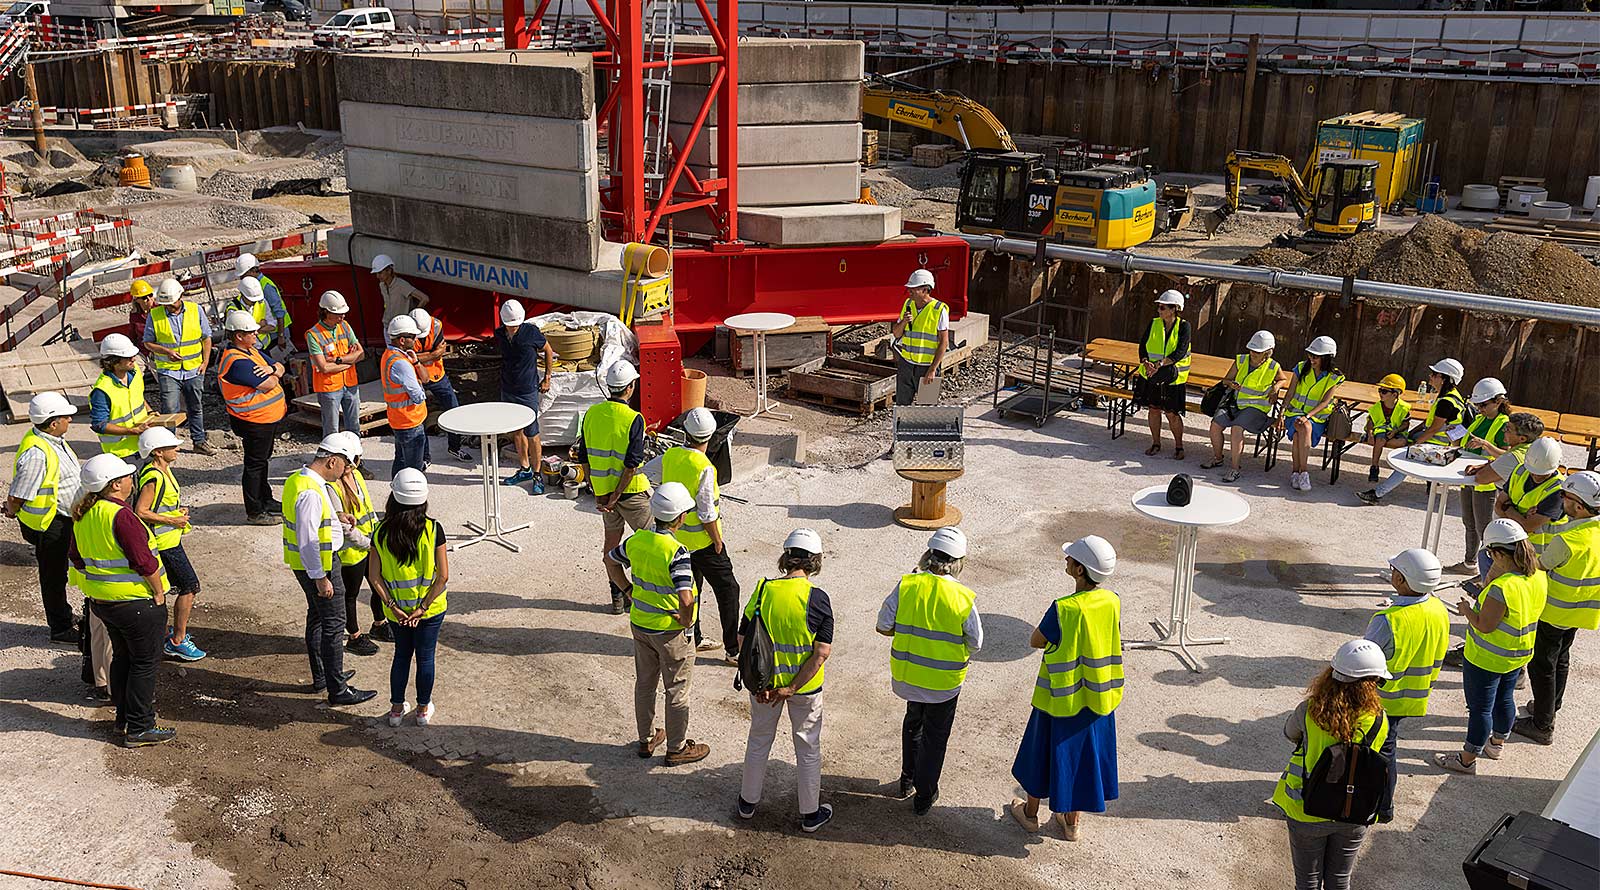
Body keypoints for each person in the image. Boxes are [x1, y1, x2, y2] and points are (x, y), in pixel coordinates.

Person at [1009, 535, 1122, 842]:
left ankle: (1030, 815)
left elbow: (1036, 640)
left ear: (1081, 571)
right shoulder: (1111, 602)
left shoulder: (1064, 609)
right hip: (1098, 697)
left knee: (1041, 754)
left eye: (1071, 559)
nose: (1066, 560)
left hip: (1059, 699)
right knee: (1082, 759)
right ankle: (1070, 823)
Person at [69, 453, 174, 746]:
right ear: (115, 485)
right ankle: (140, 727)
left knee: (124, 658)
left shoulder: (84, 513)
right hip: (136, 602)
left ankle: (124, 720)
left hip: (104, 603)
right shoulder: (121, 515)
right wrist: (158, 591)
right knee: (144, 662)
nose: (132, 480)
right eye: (128, 477)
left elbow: (77, 558)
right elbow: (144, 562)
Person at [876, 527, 982, 816]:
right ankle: (924, 796)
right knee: (935, 737)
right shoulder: (962, 597)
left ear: (928, 555)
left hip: (909, 677)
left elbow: (883, 625)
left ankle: (906, 780)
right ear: (959, 563)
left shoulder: (907, 585)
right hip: (943, 684)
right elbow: (975, 643)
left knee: (913, 724)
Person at [736, 528, 835, 832]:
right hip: (804, 688)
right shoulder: (817, 599)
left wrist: (761, 684)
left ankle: (747, 803)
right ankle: (809, 814)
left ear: (785, 558)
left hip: (764, 687)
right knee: (807, 747)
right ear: (815, 561)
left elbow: (743, 638)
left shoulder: (764, 590)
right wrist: (791, 687)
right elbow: (820, 653)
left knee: (758, 740)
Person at [605, 482, 710, 766]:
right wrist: (687, 621)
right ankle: (676, 748)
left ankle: (646, 738)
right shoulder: (677, 552)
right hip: (670, 632)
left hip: (640, 624)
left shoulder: (637, 540)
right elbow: (686, 598)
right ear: (679, 518)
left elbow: (610, 560)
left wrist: (627, 591)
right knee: (676, 689)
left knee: (645, 684)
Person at [1273, 640, 1391, 890]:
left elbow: (1289, 733)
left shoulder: (1309, 710)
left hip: (1305, 807)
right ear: (1374, 682)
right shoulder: (1380, 719)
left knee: (1308, 881)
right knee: (1339, 880)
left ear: (1332, 674)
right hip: (1355, 810)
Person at [1436, 518, 1547, 774]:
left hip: (1486, 658)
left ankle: (1466, 760)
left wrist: (1465, 610)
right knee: (1505, 699)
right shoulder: (1537, 576)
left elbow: (1485, 625)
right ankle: (1496, 744)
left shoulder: (1501, 589)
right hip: (1517, 654)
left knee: (1480, 709)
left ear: (1497, 552)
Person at [283, 435, 378, 707]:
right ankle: (338, 689)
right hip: (320, 564)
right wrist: (321, 577)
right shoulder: (312, 492)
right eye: (346, 463)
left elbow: (311, 523)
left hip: (309, 565)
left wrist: (337, 518)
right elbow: (309, 539)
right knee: (334, 624)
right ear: (332, 460)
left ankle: (324, 675)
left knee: (317, 617)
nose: (346, 470)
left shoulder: (299, 480)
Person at [1511, 471, 1599, 746]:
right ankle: (1549, 708)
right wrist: (1546, 526)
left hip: (1554, 612)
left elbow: (1539, 565)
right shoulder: (1589, 528)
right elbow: (1566, 530)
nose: (1561, 499)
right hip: (1578, 612)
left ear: (1579, 506)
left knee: (1542, 667)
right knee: (1560, 660)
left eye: (1566, 497)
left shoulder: (1568, 542)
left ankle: (1542, 725)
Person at [1362, 548, 1449, 822]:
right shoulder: (1437, 608)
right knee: (1387, 749)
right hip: (1413, 697)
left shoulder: (1388, 621)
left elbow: (1365, 661)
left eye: (1394, 571)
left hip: (1382, 700)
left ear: (1401, 580)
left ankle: (1381, 808)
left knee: (1377, 753)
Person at [370, 468, 449, 728]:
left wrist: (392, 606)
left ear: (393, 498)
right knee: (425, 657)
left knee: (402, 655)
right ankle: (422, 710)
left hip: (397, 612)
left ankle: (395, 710)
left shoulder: (380, 532)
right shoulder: (433, 529)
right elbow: (443, 577)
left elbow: (374, 577)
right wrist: (423, 608)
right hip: (429, 610)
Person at [5, 392, 84, 644]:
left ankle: (64, 615)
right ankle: (60, 628)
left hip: (61, 520)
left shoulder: (53, 440)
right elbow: (19, 494)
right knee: (54, 575)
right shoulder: (38, 454)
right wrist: (11, 508)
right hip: (50, 524)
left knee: (60, 572)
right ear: (52, 423)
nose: (70, 420)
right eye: (65, 417)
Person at [663, 407, 741, 664]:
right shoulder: (705, 467)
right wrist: (717, 540)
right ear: (710, 437)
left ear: (686, 432)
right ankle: (732, 650)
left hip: (678, 540)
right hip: (704, 544)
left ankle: (692, 637)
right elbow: (707, 513)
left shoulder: (671, 456)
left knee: (691, 588)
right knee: (728, 589)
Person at [577, 360, 653, 614]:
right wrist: (617, 495)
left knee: (610, 550)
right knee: (654, 540)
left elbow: (584, 456)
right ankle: (642, 596)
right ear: (630, 387)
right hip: (629, 494)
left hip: (604, 497)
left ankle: (620, 598)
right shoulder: (634, 419)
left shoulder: (591, 414)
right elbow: (631, 465)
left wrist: (597, 493)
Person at [132, 426, 204, 662]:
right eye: (172, 446)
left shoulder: (161, 470)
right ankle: (177, 641)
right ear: (158, 452)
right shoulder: (154, 477)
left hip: (168, 539)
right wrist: (172, 519)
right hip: (165, 543)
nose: (177, 449)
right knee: (189, 586)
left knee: (166, 588)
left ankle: (166, 635)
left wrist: (176, 511)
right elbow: (141, 511)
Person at [1359, 358, 1467, 505]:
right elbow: (1430, 422)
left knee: (1406, 460)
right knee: (1406, 451)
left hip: (1437, 444)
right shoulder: (1450, 397)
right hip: (1438, 441)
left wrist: (1416, 444)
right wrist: (1413, 433)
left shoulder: (1446, 402)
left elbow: (1433, 429)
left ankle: (1377, 494)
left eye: (1434, 374)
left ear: (1444, 379)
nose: (1430, 377)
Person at [217, 310, 287, 525]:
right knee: (255, 466)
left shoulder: (251, 351)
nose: (257, 334)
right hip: (253, 421)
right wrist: (273, 373)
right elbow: (268, 383)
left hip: (264, 420)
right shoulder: (237, 362)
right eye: (251, 332)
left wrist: (272, 369)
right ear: (239, 335)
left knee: (262, 462)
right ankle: (255, 511)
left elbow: (281, 366)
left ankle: (266, 499)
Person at [328, 431, 386, 655]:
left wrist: (377, 535)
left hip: (369, 544)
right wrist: (367, 543)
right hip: (352, 551)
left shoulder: (357, 477)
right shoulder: (331, 487)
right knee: (350, 595)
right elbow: (343, 526)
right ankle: (354, 636)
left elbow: (368, 509)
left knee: (376, 585)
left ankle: (379, 624)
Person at [143, 279, 216, 456]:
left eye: (172, 302)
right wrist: (165, 351)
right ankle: (169, 445)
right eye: (166, 303)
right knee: (169, 409)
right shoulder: (155, 315)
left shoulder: (195, 310)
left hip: (194, 369)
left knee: (195, 406)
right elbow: (147, 342)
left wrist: (205, 363)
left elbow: (206, 338)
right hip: (168, 370)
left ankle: (198, 441)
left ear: (181, 296)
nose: (169, 306)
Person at [1200, 330, 1281, 484]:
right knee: (1215, 425)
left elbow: (1282, 379)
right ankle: (1218, 459)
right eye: (1251, 349)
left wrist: (1276, 388)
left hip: (1257, 409)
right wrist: (1231, 384)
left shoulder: (1273, 366)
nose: (1253, 353)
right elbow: (1226, 380)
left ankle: (1235, 469)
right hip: (1235, 404)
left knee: (1236, 429)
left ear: (1267, 352)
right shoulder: (1241, 360)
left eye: (1257, 351)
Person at [494, 300, 554, 490]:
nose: (512, 327)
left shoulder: (531, 333)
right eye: (509, 324)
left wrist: (547, 378)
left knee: (532, 433)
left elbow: (548, 350)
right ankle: (524, 468)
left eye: (515, 324)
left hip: (527, 390)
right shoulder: (499, 334)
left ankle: (537, 475)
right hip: (508, 389)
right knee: (516, 431)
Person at [1456, 378, 1513, 571]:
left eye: (1483, 404)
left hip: (1486, 483)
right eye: (1477, 404)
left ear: (1498, 402)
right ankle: (1469, 563)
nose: (1479, 408)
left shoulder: (1504, 424)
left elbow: (1508, 456)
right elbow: (1466, 443)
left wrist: (1486, 445)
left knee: (1484, 529)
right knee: (1469, 523)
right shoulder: (1480, 418)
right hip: (1469, 478)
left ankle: (1487, 571)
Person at [1280, 336, 1346, 492]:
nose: (1311, 358)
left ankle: (1296, 473)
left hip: (1317, 418)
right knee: (1304, 427)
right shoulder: (1301, 367)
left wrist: (1308, 416)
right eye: (1310, 354)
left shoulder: (1335, 377)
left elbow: (1325, 402)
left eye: (1315, 356)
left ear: (1327, 357)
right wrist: (1281, 413)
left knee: (1299, 434)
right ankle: (1304, 472)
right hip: (1294, 414)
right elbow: (1289, 393)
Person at [1132, 290, 1192, 460]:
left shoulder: (1184, 327)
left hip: (1173, 377)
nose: (1159, 310)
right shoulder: (1153, 324)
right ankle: (1156, 443)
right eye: (1159, 307)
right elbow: (1143, 345)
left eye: (1163, 307)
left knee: (1172, 413)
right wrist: (1145, 361)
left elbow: (1180, 351)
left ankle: (1179, 446)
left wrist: (1159, 365)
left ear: (1174, 309)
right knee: (1153, 409)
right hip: (1153, 375)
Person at [411, 308, 470, 463]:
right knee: (420, 417)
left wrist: (419, 358)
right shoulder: (406, 330)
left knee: (453, 409)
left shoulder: (436, 325)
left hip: (437, 375)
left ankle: (455, 447)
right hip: (416, 379)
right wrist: (431, 355)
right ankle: (424, 457)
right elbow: (408, 357)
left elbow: (439, 352)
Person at [305, 290, 365, 439]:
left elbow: (361, 354)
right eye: (338, 314)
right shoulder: (313, 335)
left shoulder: (344, 326)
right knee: (331, 431)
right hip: (329, 388)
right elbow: (323, 367)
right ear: (325, 312)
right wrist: (350, 361)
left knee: (354, 427)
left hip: (350, 384)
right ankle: (331, 459)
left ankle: (355, 458)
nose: (342, 316)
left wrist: (339, 360)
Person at [1493, 436, 1565, 556]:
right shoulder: (1520, 471)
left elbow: (1528, 526)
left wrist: (1509, 508)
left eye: (1542, 474)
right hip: (1512, 545)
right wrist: (1522, 517)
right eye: (1533, 472)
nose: (1536, 476)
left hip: (1538, 555)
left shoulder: (1558, 490)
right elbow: (1498, 506)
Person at [891, 269, 949, 407]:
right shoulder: (908, 304)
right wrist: (904, 322)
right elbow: (896, 334)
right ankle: (901, 429)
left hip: (927, 368)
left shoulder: (939, 309)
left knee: (927, 408)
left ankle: (925, 430)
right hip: (906, 365)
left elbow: (944, 342)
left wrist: (933, 369)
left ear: (925, 289)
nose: (909, 291)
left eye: (913, 288)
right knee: (901, 406)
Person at [381, 314, 429, 478]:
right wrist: (422, 391)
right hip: (410, 421)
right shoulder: (401, 363)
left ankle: (396, 492)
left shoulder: (390, 356)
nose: (416, 340)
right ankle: (409, 498)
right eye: (413, 337)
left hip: (399, 420)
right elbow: (417, 396)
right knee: (413, 470)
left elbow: (425, 377)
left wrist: (416, 363)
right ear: (402, 340)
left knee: (401, 461)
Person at [89, 334, 152, 458]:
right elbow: (99, 425)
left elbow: (138, 396)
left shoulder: (135, 373)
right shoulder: (102, 390)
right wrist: (131, 431)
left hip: (144, 442)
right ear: (114, 362)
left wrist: (150, 412)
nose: (133, 359)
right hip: (121, 452)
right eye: (128, 357)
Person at [235, 253, 291, 356]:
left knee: (281, 363)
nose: (242, 278)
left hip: (278, 331)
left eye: (243, 275)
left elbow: (279, 312)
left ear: (252, 271)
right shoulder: (252, 285)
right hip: (269, 331)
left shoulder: (266, 286)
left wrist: (281, 336)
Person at [1360, 374, 1411, 484]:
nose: (1380, 393)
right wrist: (1369, 434)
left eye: (1384, 391)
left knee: (1402, 442)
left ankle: (1397, 468)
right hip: (1381, 431)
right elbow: (1371, 422)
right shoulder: (1377, 407)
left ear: (1394, 394)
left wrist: (1395, 431)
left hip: (1396, 432)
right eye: (1380, 390)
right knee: (1380, 440)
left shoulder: (1403, 408)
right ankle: (1374, 467)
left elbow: (1406, 424)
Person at [226, 277, 285, 354]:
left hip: (264, 347)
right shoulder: (233, 309)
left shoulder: (261, 302)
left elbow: (272, 325)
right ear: (243, 294)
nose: (254, 302)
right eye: (251, 300)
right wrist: (261, 325)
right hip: (246, 351)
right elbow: (238, 335)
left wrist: (256, 329)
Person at [372, 254, 429, 326]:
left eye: (380, 273)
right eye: (376, 273)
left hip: (401, 327)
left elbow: (425, 298)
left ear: (389, 271)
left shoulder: (401, 285)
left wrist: (412, 317)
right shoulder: (382, 285)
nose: (377, 276)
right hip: (387, 326)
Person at [127, 281, 154, 355]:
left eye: (150, 295)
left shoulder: (161, 309)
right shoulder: (134, 315)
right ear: (137, 300)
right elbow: (132, 336)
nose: (149, 299)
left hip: (160, 351)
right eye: (144, 297)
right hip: (143, 352)